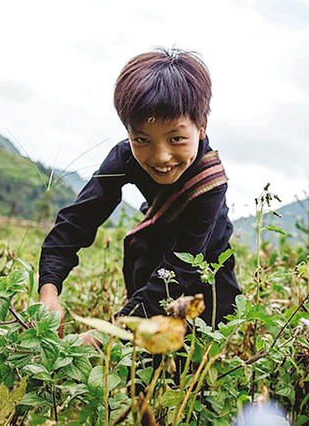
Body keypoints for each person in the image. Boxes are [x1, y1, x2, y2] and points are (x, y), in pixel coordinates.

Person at [38, 48, 241, 335]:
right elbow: (79, 219)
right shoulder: (124, 156)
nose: (161, 156)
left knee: (197, 352)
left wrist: (110, 334)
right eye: (142, 139)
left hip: (205, 271)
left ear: (202, 127)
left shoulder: (210, 184)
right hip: (155, 253)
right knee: (142, 357)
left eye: (177, 138)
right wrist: (49, 290)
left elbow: (180, 269)